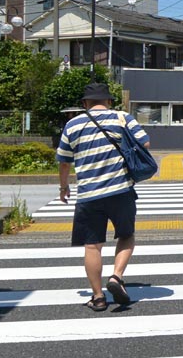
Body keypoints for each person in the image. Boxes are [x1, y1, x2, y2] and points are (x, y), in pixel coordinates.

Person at [57, 82, 149, 312]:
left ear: (85, 104)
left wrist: (63, 187)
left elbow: (64, 160)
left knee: (92, 246)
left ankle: (98, 297)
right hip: (120, 190)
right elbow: (145, 142)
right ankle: (116, 277)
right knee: (126, 236)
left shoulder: (72, 124)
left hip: (89, 194)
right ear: (108, 101)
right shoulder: (122, 118)